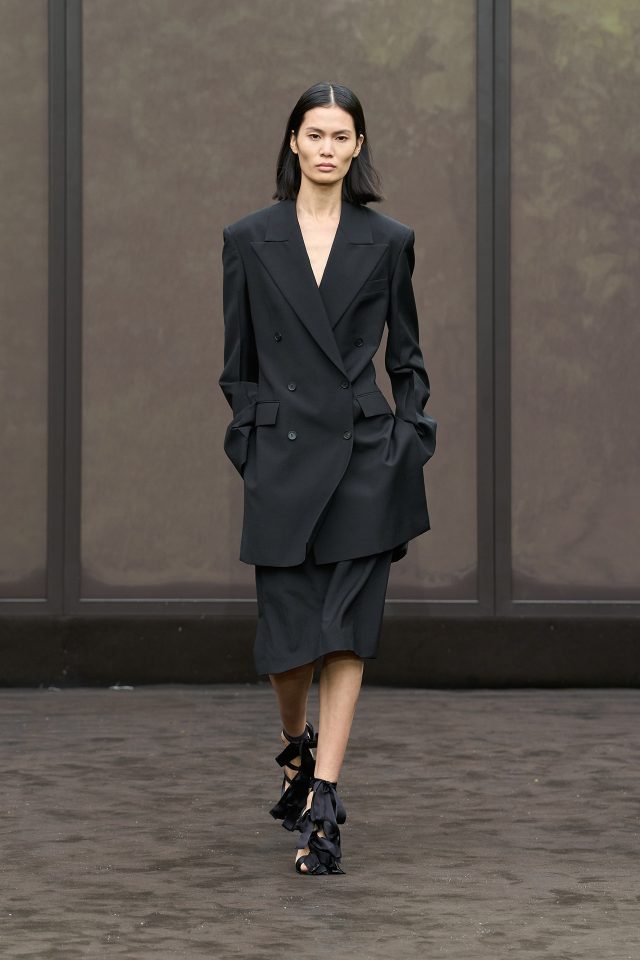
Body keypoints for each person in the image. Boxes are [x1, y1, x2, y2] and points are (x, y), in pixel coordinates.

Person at [218, 82, 437, 875]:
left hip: (362, 460)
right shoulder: (249, 239)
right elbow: (238, 365)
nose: (327, 148)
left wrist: (410, 438)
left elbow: (406, 356)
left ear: (357, 147)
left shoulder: (388, 240)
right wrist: (251, 444)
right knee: (288, 649)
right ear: (293, 141)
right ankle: (296, 747)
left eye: (341, 136)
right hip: (281, 461)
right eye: (315, 133)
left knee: (345, 634)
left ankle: (325, 805)